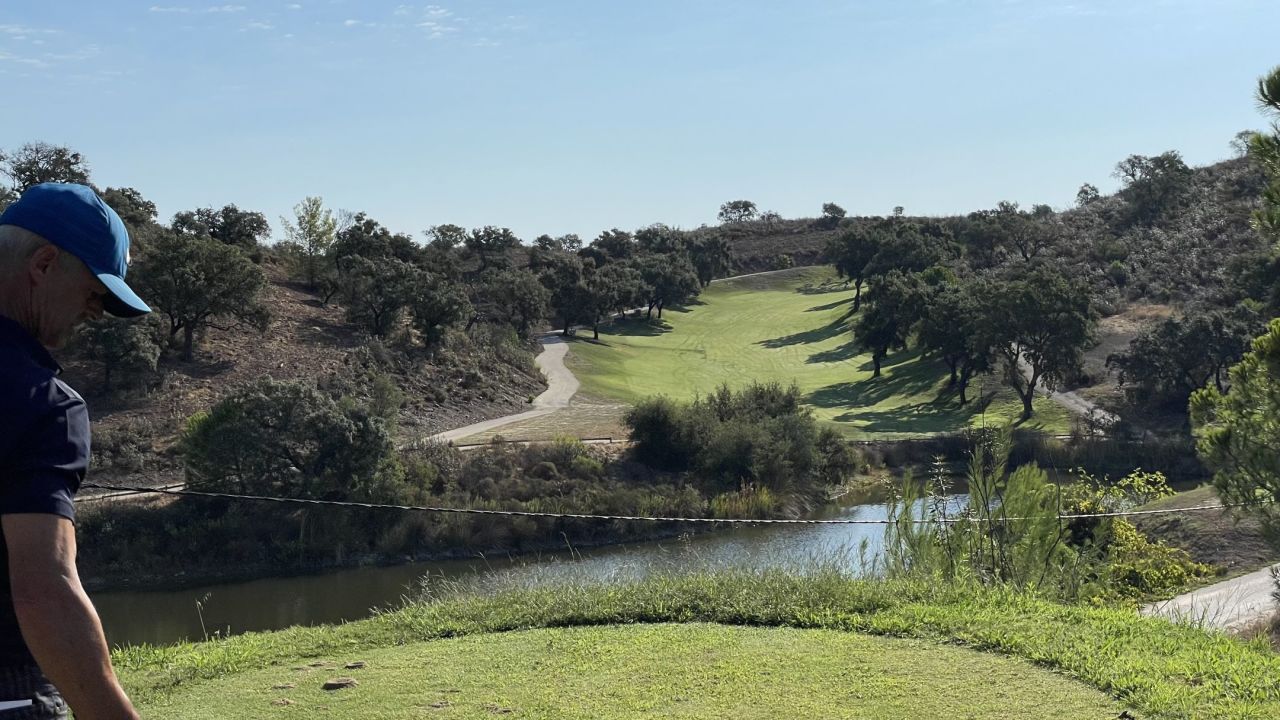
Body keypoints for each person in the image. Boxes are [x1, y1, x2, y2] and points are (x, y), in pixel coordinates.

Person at [0, 183, 150, 719]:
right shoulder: (43, 403)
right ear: (43, 264)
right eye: (93, 293)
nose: (96, 314)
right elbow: (46, 590)